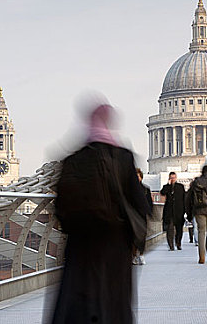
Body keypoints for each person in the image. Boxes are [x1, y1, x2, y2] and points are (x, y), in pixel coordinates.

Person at [53, 104, 149, 324]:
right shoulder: (123, 158)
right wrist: (136, 239)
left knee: (79, 304)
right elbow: (139, 204)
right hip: (115, 243)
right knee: (114, 302)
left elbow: (61, 207)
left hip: (81, 245)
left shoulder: (72, 160)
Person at [132, 168, 153, 265]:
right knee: (133, 237)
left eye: (138, 176)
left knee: (142, 236)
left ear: (141, 177)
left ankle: (141, 254)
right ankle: (134, 255)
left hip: (142, 216)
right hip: (132, 216)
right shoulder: (129, 190)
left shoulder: (146, 189)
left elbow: (149, 203)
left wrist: (150, 213)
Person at [160, 172, 186, 251]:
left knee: (179, 229)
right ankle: (171, 245)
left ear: (176, 178)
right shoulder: (166, 187)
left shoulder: (180, 187)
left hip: (179, 211)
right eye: (171, 178)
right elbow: (162, 192)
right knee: (170, 229)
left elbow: (184, 198)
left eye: (174, 178)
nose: (172, 179)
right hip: (169, 211)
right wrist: (168, 185)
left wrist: (184, 210)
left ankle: (178, 243)